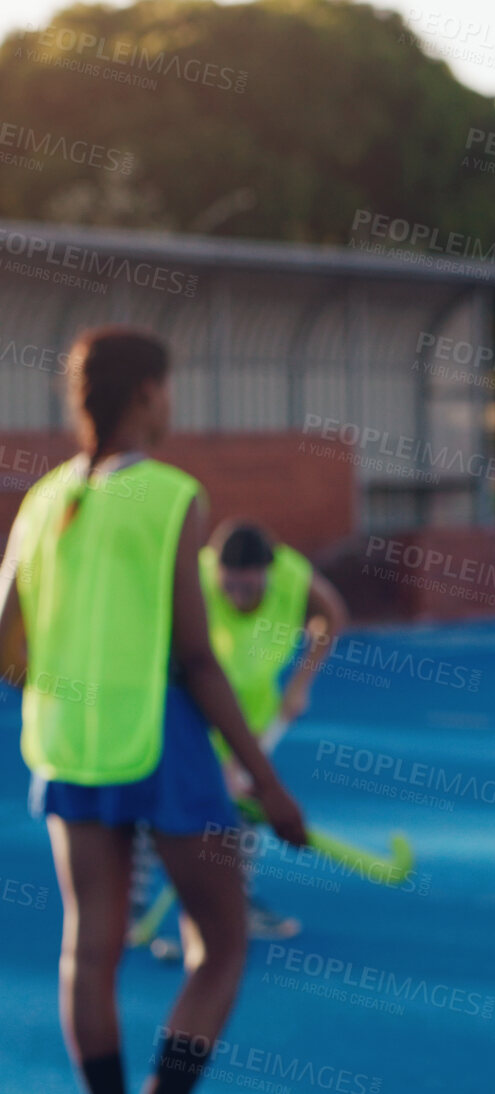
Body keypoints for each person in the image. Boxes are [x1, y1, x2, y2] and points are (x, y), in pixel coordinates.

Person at [0, 326, 308, 1094]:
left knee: (88, 949)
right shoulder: (170, 495)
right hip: (163, 743)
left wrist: (65, 689)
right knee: (223, 945)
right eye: (168, 388)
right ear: (147, 393)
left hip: (73, 746)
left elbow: (6, 643)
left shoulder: (43, 498)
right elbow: (198, 660)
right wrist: (267, 784)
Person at [200, 520, 348, 938]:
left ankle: (238, 904)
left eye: (246, 586)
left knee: (245, 807)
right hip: (199, 708)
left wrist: (301, 685)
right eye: (228, 585)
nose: (235, 595)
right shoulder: (194, 580)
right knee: (157, 804)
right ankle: (132, 909)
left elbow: (332, 617)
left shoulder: (291, 576)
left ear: (266, 573)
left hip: (257, 715)